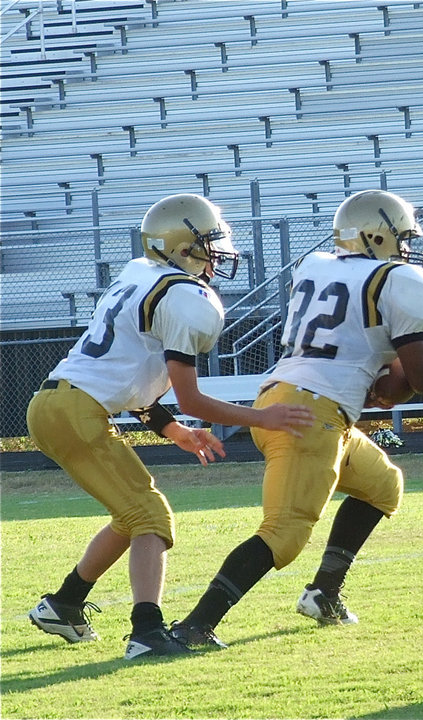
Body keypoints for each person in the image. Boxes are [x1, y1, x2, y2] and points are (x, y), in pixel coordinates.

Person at [26, 193, 315, 660]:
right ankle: (147, 632)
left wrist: (174, 431)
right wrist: (262, 417)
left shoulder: (141, 274)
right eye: (208, 242)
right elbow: (192, 397)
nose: (216, 252)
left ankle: (64, 603)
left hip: (58, 403)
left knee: (131, 515)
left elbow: (131, 377)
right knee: (152, 517)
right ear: (182, 247)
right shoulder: (184, 297)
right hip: (76, 410)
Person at [168, 190, 423, 648]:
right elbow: (417, 380)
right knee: (284, 534)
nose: (406, 247)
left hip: (290, 397)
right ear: (376, 236)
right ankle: (196, 625)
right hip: (309, 415)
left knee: (382, 484)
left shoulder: (315, 266)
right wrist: (422, 374)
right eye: (401, 237)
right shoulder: (401, 281)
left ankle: (324, 593)